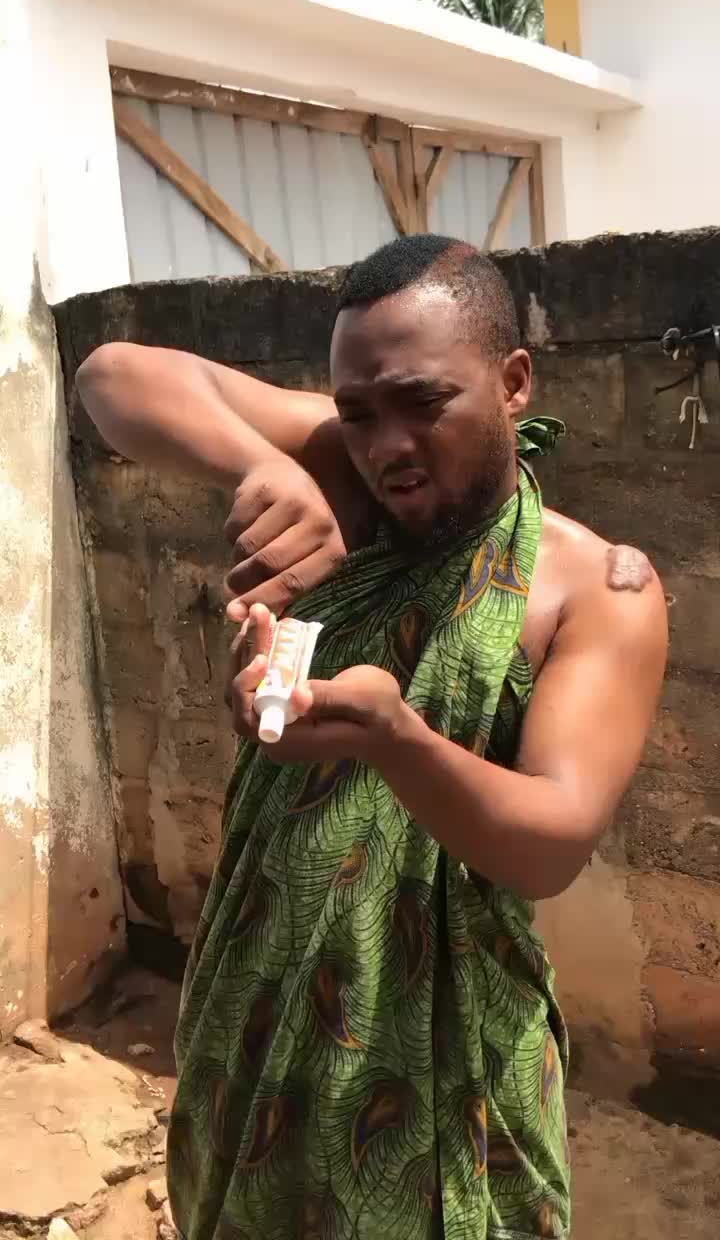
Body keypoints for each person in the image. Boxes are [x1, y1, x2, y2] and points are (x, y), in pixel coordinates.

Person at [77, 234, 667, 1240]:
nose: (387, 446)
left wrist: (396, 740)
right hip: (257, 998)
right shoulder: (344, 474)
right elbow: (108, 375)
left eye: (423, 403)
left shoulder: (599, 590)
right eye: (356, 413)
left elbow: (551, 842)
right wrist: (265, 467)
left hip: (447, 1053)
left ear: (514, 381)